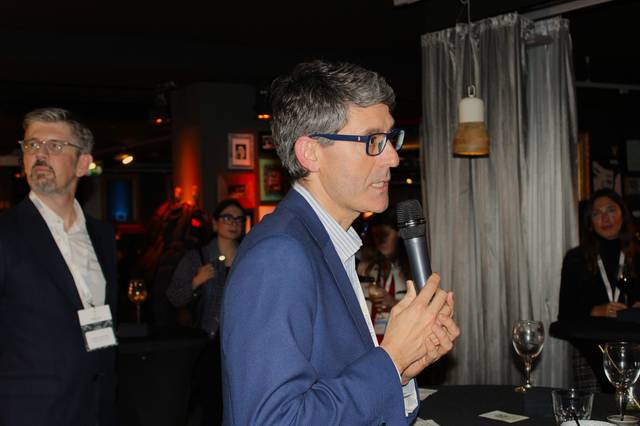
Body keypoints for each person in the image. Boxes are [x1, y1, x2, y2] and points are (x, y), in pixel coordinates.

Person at [221, 60, 460, 425]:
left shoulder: (327, 243)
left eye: (390, 139)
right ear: (311, 153)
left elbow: (331, 385)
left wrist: (404, 367)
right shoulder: (279, 256)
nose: (393, 157)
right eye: (373, 142)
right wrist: (390, 358)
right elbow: (273, 420)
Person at [0, 107, 118, 425]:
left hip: (96, 407)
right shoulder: (6, 234)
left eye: (55, 146)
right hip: (28, 413)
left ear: (82, 163)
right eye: (32, 145)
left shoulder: (103, 235)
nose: (40, 154)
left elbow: (100, 322)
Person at [166, 198, 244, 425]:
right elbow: (173, 296)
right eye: (227, 218)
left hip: (241, 344)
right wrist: (196, 281)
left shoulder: (249, 256)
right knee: (210, 406)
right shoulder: (197, 258)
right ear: (215, 223)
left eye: (239, 219)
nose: (234, 223)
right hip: (207, 343)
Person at [559, 188, 640, 392]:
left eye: (611, 210)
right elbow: (565, 314)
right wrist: (597, 310)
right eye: (597, 213)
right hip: (592, 348)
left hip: (635, 345)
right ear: (590, 222)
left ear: (623, 213)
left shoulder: (638, 255)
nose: (605, 218)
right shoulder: (576, 259)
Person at [357, 207, 410, 343]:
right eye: (376, 236)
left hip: (401, 343)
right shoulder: (367, 269)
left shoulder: (410, 269)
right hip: (370, 344)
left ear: (398, 233)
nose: (380, 242)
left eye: (385, 235)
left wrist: (392, 302)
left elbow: (422, 313)